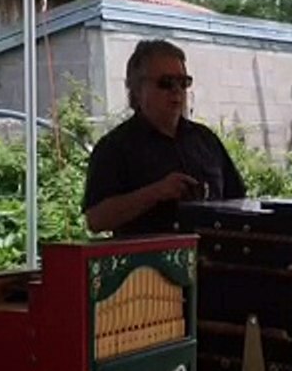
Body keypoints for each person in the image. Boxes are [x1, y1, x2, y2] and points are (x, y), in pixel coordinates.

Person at [82, 39, 246, 235]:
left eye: (183, 82)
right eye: (166, 83)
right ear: (137, 89)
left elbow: (238, 200)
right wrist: (155, 193)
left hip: (208, 252)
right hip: (150, 254)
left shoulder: (206, 140)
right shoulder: (114, 148)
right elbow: (96, 220)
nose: (177, 90)